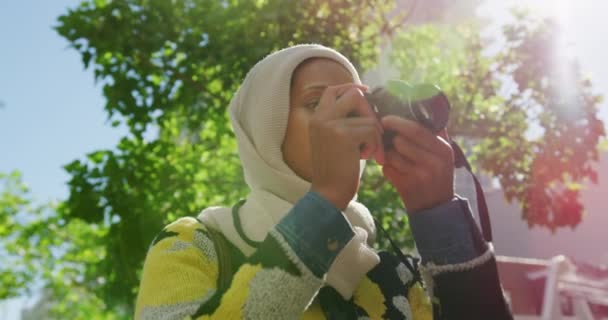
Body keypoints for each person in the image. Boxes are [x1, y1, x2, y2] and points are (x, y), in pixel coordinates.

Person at [134, 44, 513, 319]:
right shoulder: (194, 244)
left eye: (357, 106)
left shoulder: (393, 273)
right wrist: (322, 207)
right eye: (317, 104)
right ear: (266, 132)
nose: (347, 120)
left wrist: (437, 215)